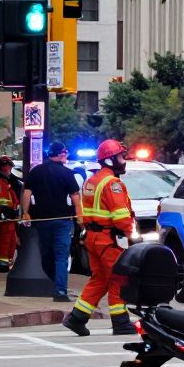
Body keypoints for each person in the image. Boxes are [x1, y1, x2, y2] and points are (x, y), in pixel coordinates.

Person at [63, 140, 135, 336]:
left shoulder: (91, 181)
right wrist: (132, 236)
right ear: (110, 160)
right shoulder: (113, 184)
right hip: (108, 240)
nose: (124, 160)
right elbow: (121, 217)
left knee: (100, 279)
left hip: (93, 238)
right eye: (121, 157)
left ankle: (76, 318)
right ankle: (120, 322)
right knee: (118, 278)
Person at [20, 142, 82, 301]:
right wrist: (80, 217)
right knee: (61, 256)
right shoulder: (67, 173)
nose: (66, 156)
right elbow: (75, 197)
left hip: (41, 220)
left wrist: (25, 213)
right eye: (66, 153)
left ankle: (51, 285)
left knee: (46, 254)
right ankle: (60, 291)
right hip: (62, 220)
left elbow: (27, 193)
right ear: (61, 154)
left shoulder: (36, 171)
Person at [0, 157, 21, 271]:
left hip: (10, 220)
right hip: (3, 220)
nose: (9, 169)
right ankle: (1, 266)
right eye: (7, 167)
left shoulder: (7, 183)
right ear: (2, 167)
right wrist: (9, 212)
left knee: (11, 244)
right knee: (4, 244)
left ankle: (6, 264)